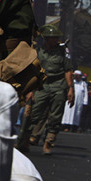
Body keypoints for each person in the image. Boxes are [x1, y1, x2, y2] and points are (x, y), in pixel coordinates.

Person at [19, 24, 73, 154]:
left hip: (58, 86)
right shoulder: (38, 52)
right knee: (33, 114)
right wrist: (30, 90)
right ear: (46, 39)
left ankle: (49, 142)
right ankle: (26, 141)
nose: (56, 40)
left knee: (55, 117)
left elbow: (68, 71)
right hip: (41, 86)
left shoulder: (63, 52)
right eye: (53, 38)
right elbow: (32, 71)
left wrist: (71, 89)